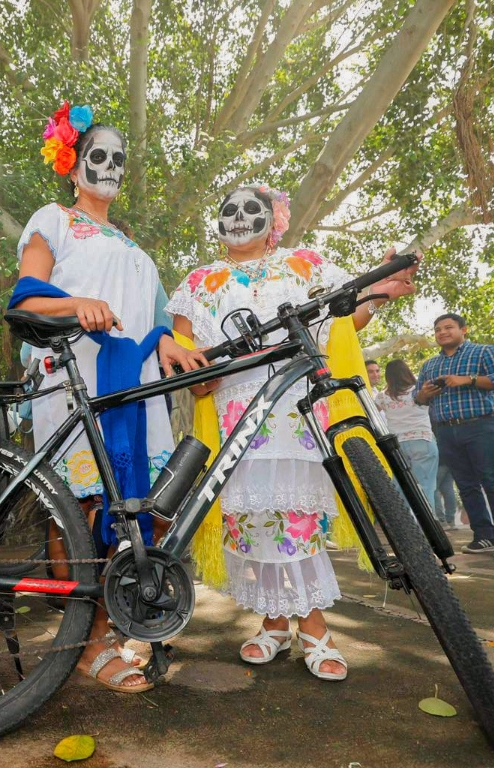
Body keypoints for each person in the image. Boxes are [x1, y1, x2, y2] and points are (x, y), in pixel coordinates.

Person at [168, 182, 417, 681]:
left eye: (251, 209)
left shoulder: (306, 264)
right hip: (233, 419)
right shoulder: (197, 282)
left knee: (298, 522)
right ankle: (276, 622)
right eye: (228, 209)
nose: (238, 216)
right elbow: (182, 350)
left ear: (273, 222)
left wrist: (379, 295)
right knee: (253, 523)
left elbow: (341, 325)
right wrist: (193, 376)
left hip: (298, 417)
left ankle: (315, 627)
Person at [12, 102, 206, 691]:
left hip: (136, 384)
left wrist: (171, 343)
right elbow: (25, 301)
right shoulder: (56, 220)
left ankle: (117, 622)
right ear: (73, 166)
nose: (111, 166)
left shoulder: (129, 243)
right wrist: (77, 306)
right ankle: (87, 642)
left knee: (136, 506)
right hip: (74, 376)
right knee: (85, 507)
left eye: (119, 159)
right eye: (99, 155)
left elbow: (153, 320)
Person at [415, 313, 494, 558]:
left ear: (464, 329)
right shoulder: (430, 365)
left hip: (481, 426)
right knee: (465, 485)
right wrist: (425, 394)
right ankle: (483, 536)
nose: (442, 332)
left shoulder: (484, 352)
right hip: (446, 429)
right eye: (438, 329)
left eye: (448, 327)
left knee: (493, 482)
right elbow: (418, 399)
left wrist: (469, 380)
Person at [374, 360, 437, 506]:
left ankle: (403, 524)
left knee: (401, 487)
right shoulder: (419, 390)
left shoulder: (382, 396)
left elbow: (371, 415)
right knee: (425, 487)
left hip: (397, 445)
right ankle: (426, 526)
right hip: (422, 440)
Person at [435, 463, 458, 529]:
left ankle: (441, 520)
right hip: (449, 461)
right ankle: (450, 520)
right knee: (448, 489)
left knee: (434, 488)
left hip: (438, 461)